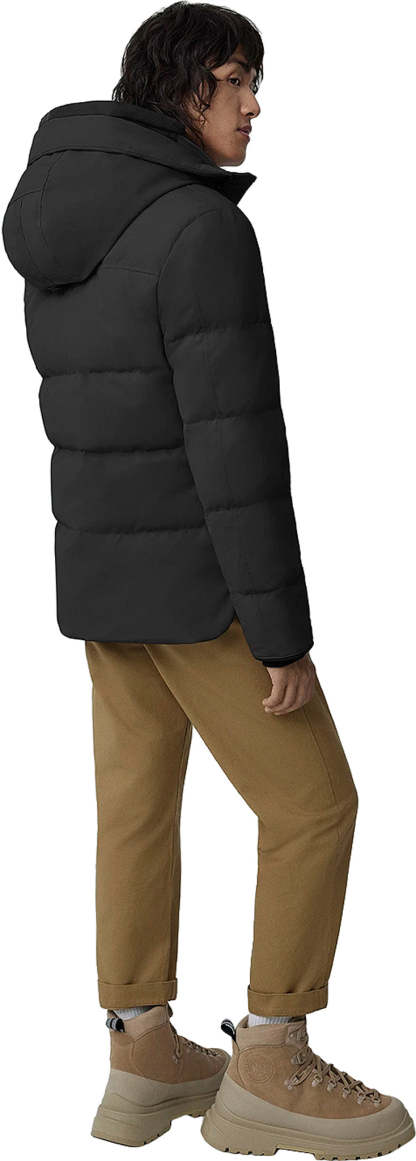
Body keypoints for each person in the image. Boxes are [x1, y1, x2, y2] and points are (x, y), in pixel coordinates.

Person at [2, 2, 413, 1156]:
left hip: (102, 576)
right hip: (197, 584)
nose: (253, 103)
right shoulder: (196, 225)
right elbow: (231, 448)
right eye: (236, 78)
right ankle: (271, 1059)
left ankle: (140, 1053)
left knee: (134, 808)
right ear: (183, 84)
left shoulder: (64, 220)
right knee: (314, 805)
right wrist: (278, 631)